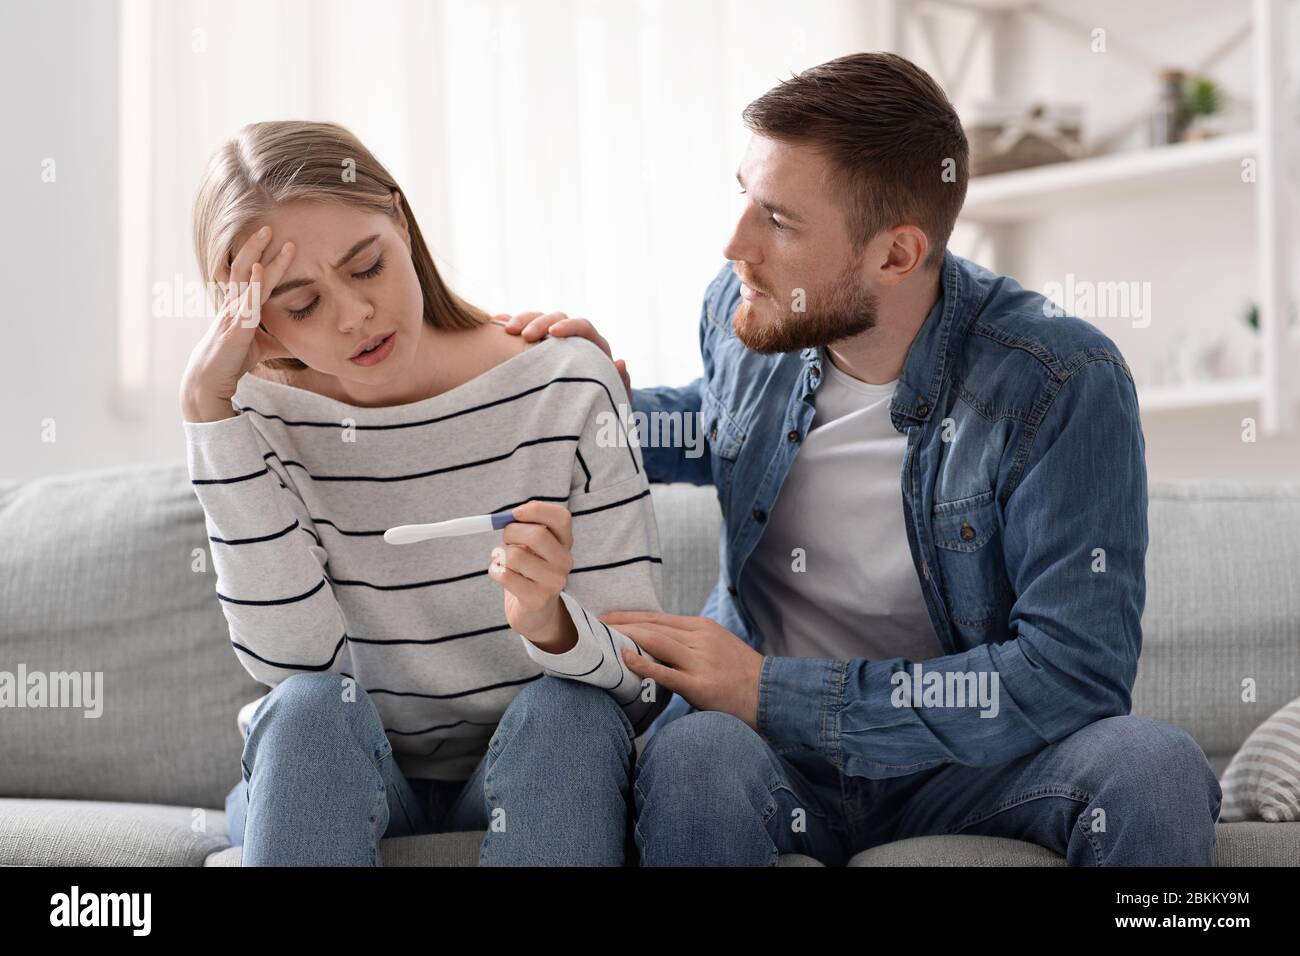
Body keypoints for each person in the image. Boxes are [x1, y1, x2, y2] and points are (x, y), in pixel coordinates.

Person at [503, 52, 1223, 866]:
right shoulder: (748, 307)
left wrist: (772, 692)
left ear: (895, 255)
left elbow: (1073, 674)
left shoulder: (1060, 380)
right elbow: (720, 425)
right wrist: (592, 401)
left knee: (1156, 767)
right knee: (696, 756)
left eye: (778, 220)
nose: (735, 242)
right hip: (765, 758)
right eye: (744, 195)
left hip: (966, 766)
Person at [180, 120, 667, 866]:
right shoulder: (256, 419)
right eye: (301, 304)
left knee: (570, 716)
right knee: (309, 712)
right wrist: (210, 417)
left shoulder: (563, 386)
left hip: (537, 762)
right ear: (250, 319)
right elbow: (295, 667)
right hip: (343, 771)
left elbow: (635, 682)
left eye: (367, 265)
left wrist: (549, 625)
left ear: (401, 225)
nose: (354, 315)